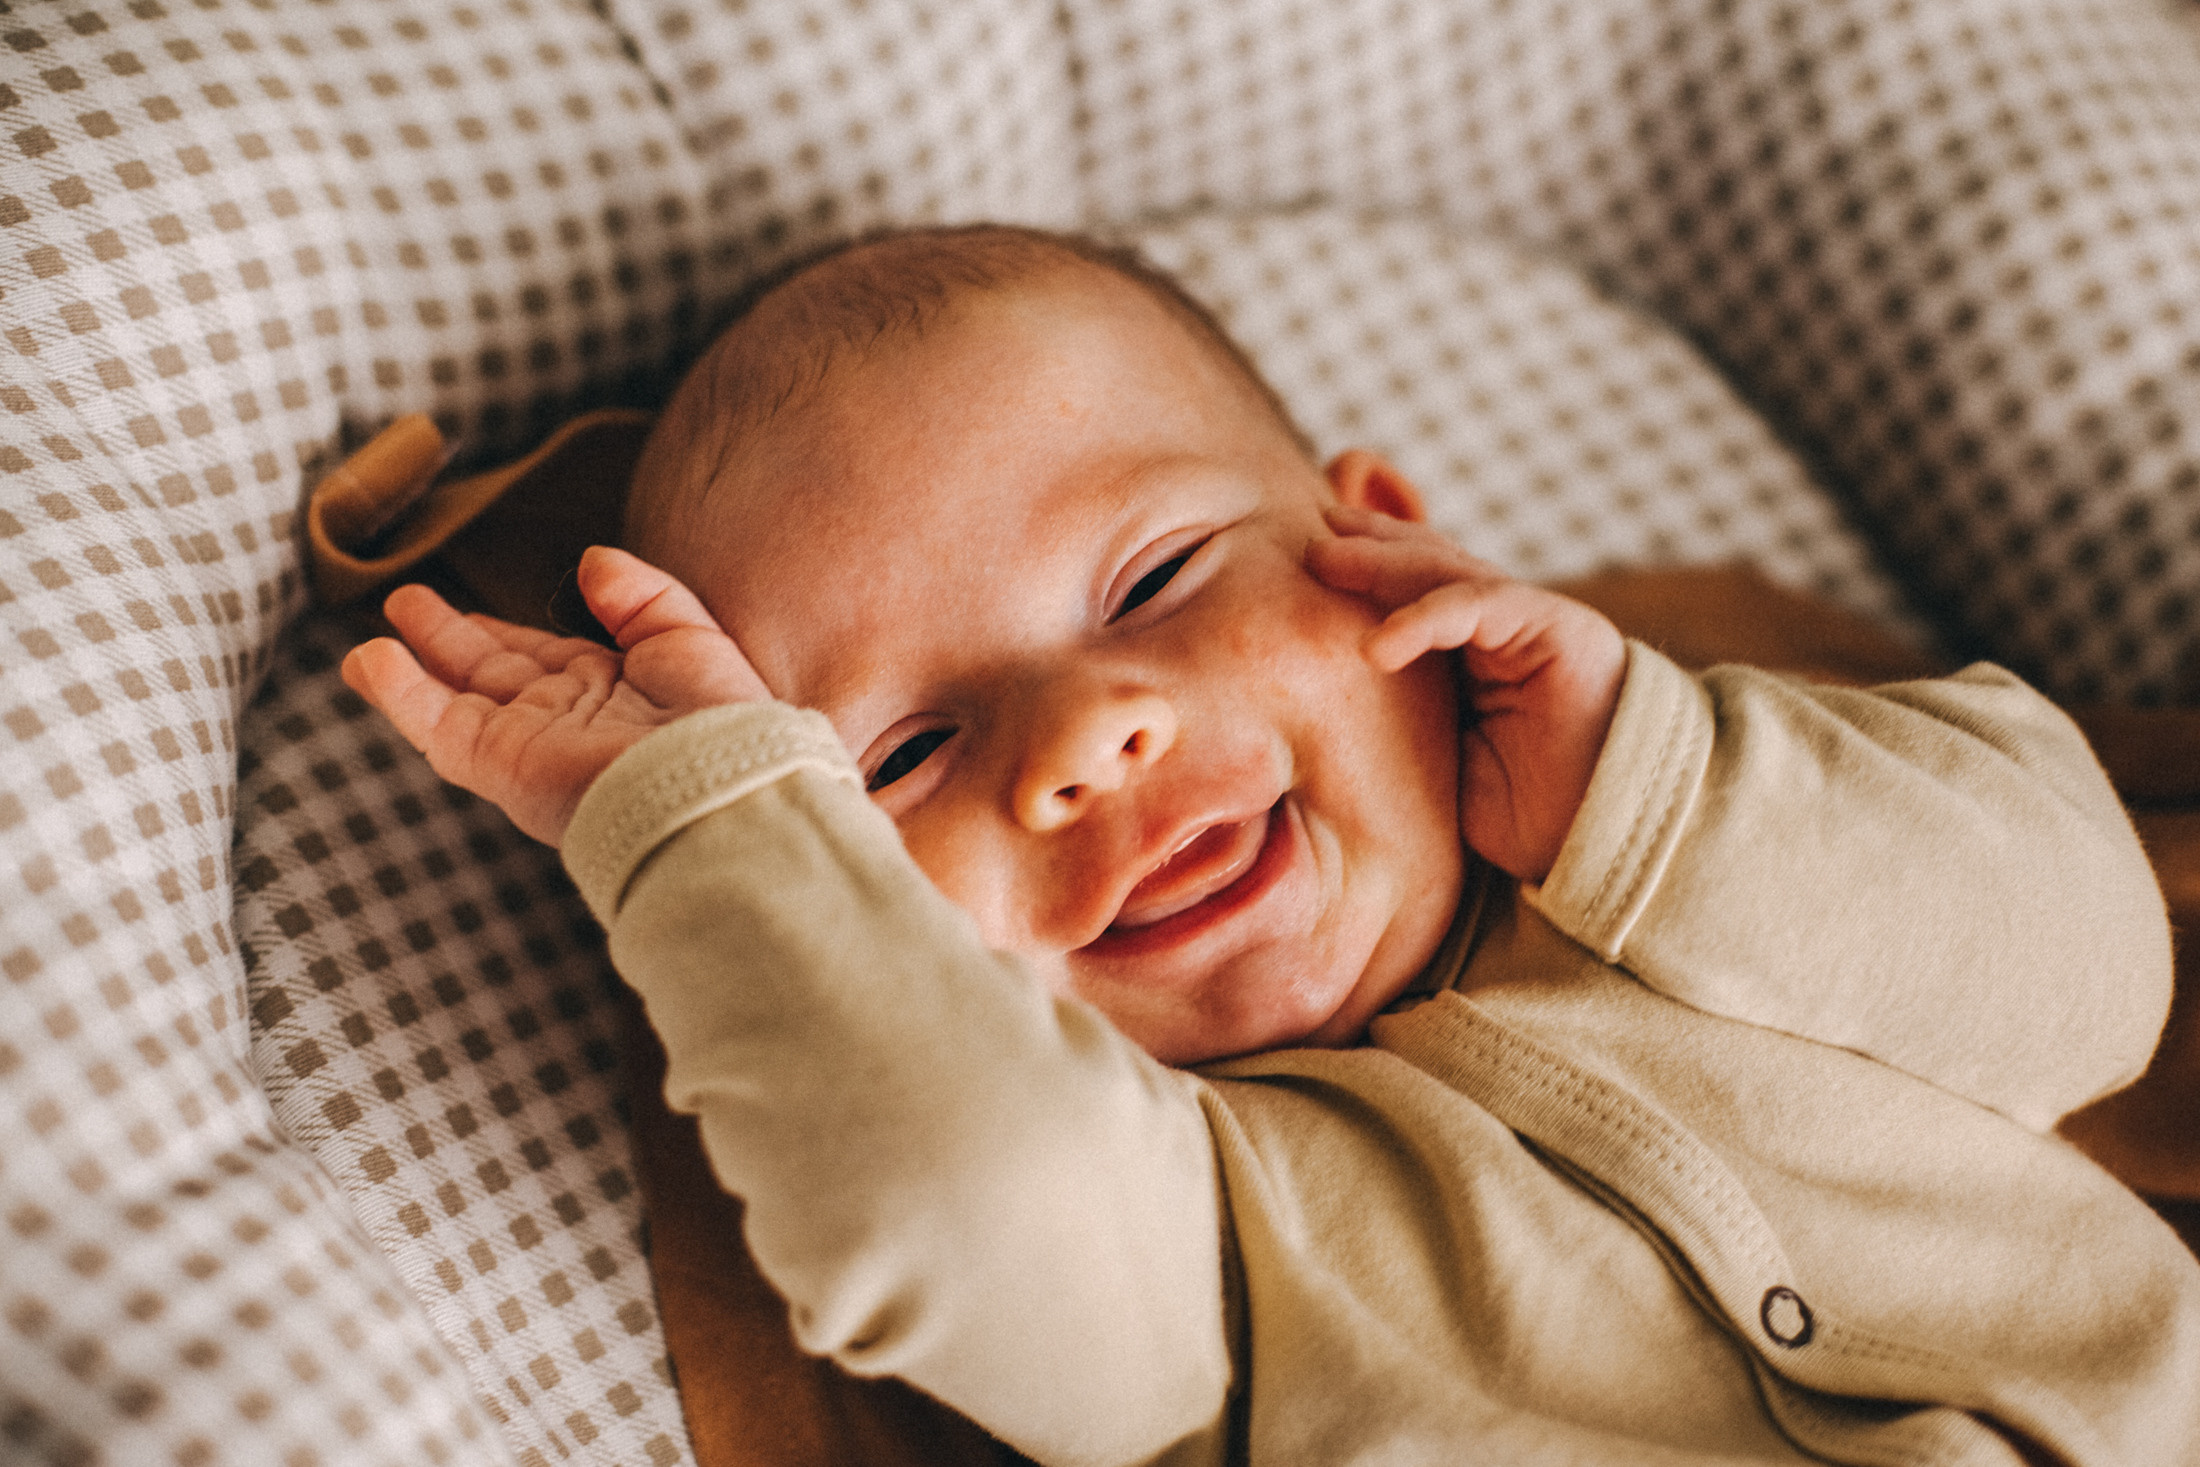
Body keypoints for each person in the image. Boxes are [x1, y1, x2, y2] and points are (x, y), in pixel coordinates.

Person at [342, 224, 2200, 1466]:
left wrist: (1666, 772)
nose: (1085, 739)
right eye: (898, 759)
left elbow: (2094, 971)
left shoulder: (1732, 851)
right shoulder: (1186, 1237)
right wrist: (705, 826)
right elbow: (956, 1193)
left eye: (1151, 577)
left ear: (1378, 536)